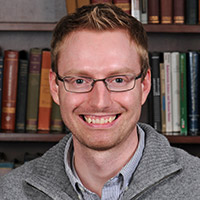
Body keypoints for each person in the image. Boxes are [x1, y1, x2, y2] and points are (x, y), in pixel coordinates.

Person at [0, 3, 200, 200]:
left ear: (145, 85)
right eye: (79, 80)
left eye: (118, 80)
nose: (99, 102)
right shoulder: (8, 192)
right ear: (55, 87)